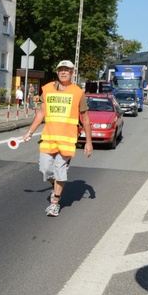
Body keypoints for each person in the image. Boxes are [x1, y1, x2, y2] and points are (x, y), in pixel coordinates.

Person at [22, 60, 93, 217]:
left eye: (67, 70)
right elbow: (41, 112)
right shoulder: (47, 89)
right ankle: (58, 184)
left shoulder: (77, 92)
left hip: (67, 140)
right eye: (60, 69)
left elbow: (85, 118)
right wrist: (30, 132)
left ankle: (55, 202)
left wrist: (89, 142)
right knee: (45, 170)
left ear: (72, 73)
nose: (63, 72)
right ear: (57, 72)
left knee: (59, 169)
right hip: (49, 137)